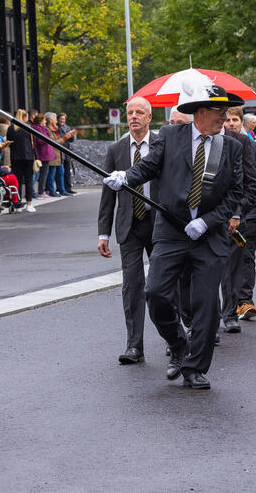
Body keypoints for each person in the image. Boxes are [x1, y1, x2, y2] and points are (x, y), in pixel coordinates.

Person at [103, 84, 244, 390]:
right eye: (220, 112)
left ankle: (195, 368)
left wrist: (207, 222)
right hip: (171, 231)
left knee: (206, 304)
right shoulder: (170, 136)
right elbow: (149, 166)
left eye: (226, 112)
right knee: (155, 293)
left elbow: (236, 195)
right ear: (201, 112)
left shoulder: (231, 146)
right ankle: (178, 344)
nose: (225, 117)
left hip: (209, 236)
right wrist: (125, 177)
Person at [98, 98, 158, 364]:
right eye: (130, 113)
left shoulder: (161, 144)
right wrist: (103, 233)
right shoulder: (116, 149)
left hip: (159, 223)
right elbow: (107, 193)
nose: (134, 117)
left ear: (149, 116)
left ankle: (175, 339)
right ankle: (135, 346)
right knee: (132, 285)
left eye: (139, 113)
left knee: (165, 285)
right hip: (129, 224)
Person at [220, 105, 256, 333]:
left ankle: (240, 304)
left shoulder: (248, 144)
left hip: (244, 215)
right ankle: (224, 309)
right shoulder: (211, 142)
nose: (230, 123)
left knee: (242, 260)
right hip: (216, 216)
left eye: (234, 119)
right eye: (226, 119)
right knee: (220, 266)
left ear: (241, 121)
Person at [8, 109, 37, 213]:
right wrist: (36, 157)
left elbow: (9, 142)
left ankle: (18, 203)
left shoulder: (11, 128)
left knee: (18, 181)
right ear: (25, 117)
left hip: (15, 157)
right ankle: (29, 204)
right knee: (29, 181)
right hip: (28, 157)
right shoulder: (28, 128)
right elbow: (34, 145)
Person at [58, 112, 78, 194]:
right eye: (61, 118)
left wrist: (71, 135)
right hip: (60, 149)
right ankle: (61, 188)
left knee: (67, 170)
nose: (62, 120)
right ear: (58, 119)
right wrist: (66, 136)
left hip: (67, 150)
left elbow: (71, 140)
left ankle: (68, 188)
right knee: (61, 171)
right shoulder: (56, 127)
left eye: (64, 119)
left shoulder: (67, 127)